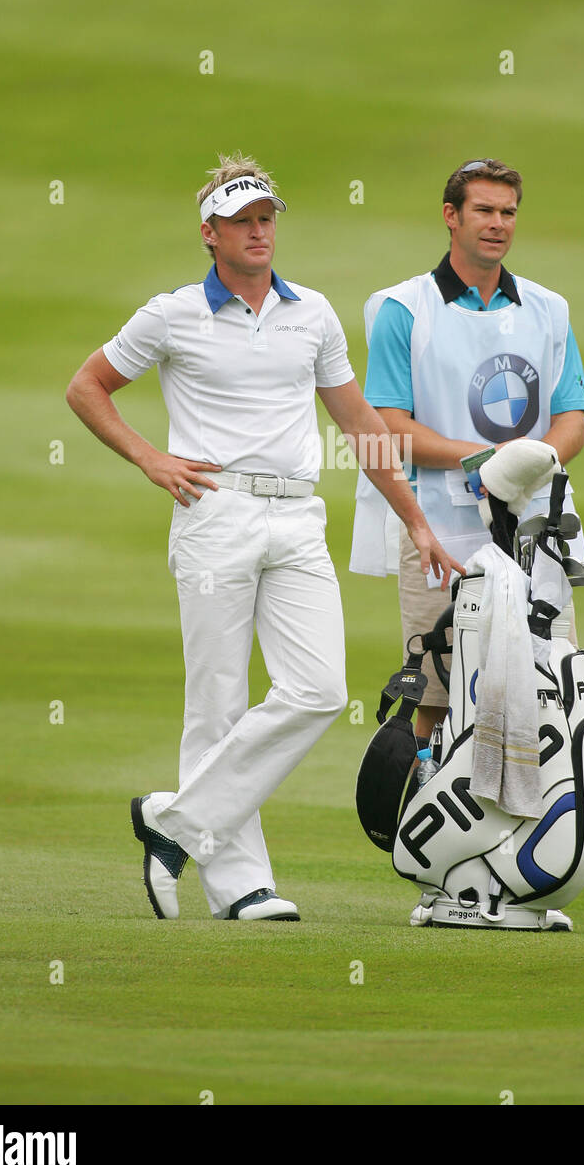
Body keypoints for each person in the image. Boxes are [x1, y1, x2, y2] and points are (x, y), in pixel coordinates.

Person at [66, 153, 461, 923]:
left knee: (319, 691)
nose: (258, 232)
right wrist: (151, 458)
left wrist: (416, 518)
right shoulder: (171, 312)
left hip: (297, 517)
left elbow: (360, 425)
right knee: (216, 701)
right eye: (242, 221)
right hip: (216, 511)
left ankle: (172, 821)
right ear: (209, 233)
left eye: (266, 218)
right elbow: (88, 386)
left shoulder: (310, 312)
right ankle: (240, 885)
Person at [350, 157, 584, 753]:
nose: (498, 223)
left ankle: (537, 837)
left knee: (547, 688)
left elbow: (571, 421)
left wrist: (524, 466)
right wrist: (488, 461)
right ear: (450, 217)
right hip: (434, 525)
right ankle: (424, 834)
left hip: (535, 527)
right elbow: (391, 427)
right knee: (435, 697)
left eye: (508, 212)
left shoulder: (547, 309)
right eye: (483, 210)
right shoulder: (402, 309)